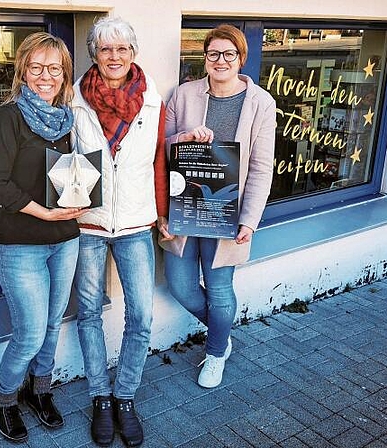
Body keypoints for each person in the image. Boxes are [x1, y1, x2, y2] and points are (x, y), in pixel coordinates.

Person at [0, 32, 87, 443]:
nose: (46, 76)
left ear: (64, 75)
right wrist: (42, 211)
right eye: (37, 67)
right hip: (22, 243)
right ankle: (5, 398)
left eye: (55, 69)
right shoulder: (8, 118)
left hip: (66, 238)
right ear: (23, 71)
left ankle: (39, 390)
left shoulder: (66, 120)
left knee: (53, 325)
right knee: (29, 332)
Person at [71, 17, 169, 447]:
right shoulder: (73, 100)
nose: (114, 57)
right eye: (105, 49)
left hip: (134, 224)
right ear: (95, 54)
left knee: (141, 317)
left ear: (133, 53)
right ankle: (100, 397)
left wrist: (163, 214)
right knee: (89, 313)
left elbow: (159, 163)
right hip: (87, 223)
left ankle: (125, 396)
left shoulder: (152, 102)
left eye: (122, 49)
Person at [161, 24, 276, 388]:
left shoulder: (261, 103)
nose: (221, 60)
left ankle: (214, 353)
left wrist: (250, 220)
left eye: (229, 54)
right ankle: (222, 334)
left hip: (227, 214)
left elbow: (260, 166)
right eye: (214, 54)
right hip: (184, 208)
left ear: (241, 58)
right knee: (181, 286)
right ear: (205, 58)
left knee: (220, 287)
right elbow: (159, 150)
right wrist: (184, 138)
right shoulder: (183, 95)